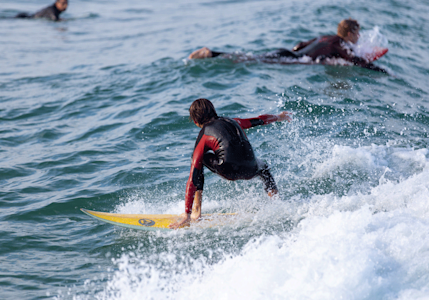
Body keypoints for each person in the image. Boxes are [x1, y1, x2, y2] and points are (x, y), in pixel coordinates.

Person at [169, 98, 292, 229]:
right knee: (264, 169)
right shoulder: (234, 121)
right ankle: (277, 204)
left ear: (195, 121)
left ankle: (195, 212)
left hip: (229, 170)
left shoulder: (204, 134)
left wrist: (186, 214)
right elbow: (259, 120)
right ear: (214, 111)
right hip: (251, 168)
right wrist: (279, 117)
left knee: (199, 158)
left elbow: (193, 178)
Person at [188, 19, 387, 73]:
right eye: (358, 33)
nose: (359, 36)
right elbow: (354, 60)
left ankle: (214, 53)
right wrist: (381, 70)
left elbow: (300, 44)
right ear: (350, 33)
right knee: (250, 61)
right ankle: (213, 54)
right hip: (290, 59)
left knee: (253, 58)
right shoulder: (340, 43)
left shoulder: (327, 37)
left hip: (287, 52)